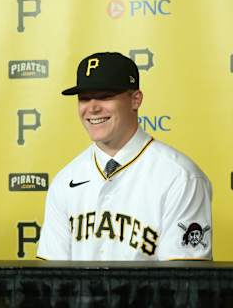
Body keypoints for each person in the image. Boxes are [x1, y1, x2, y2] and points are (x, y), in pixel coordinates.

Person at [37, 52, 212, 261]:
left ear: (135, 100)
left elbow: (182, 285)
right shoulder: (65, 180)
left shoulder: (180, 177)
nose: (92, 107)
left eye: (105, 96)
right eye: (84, 98)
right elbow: (52, 280)